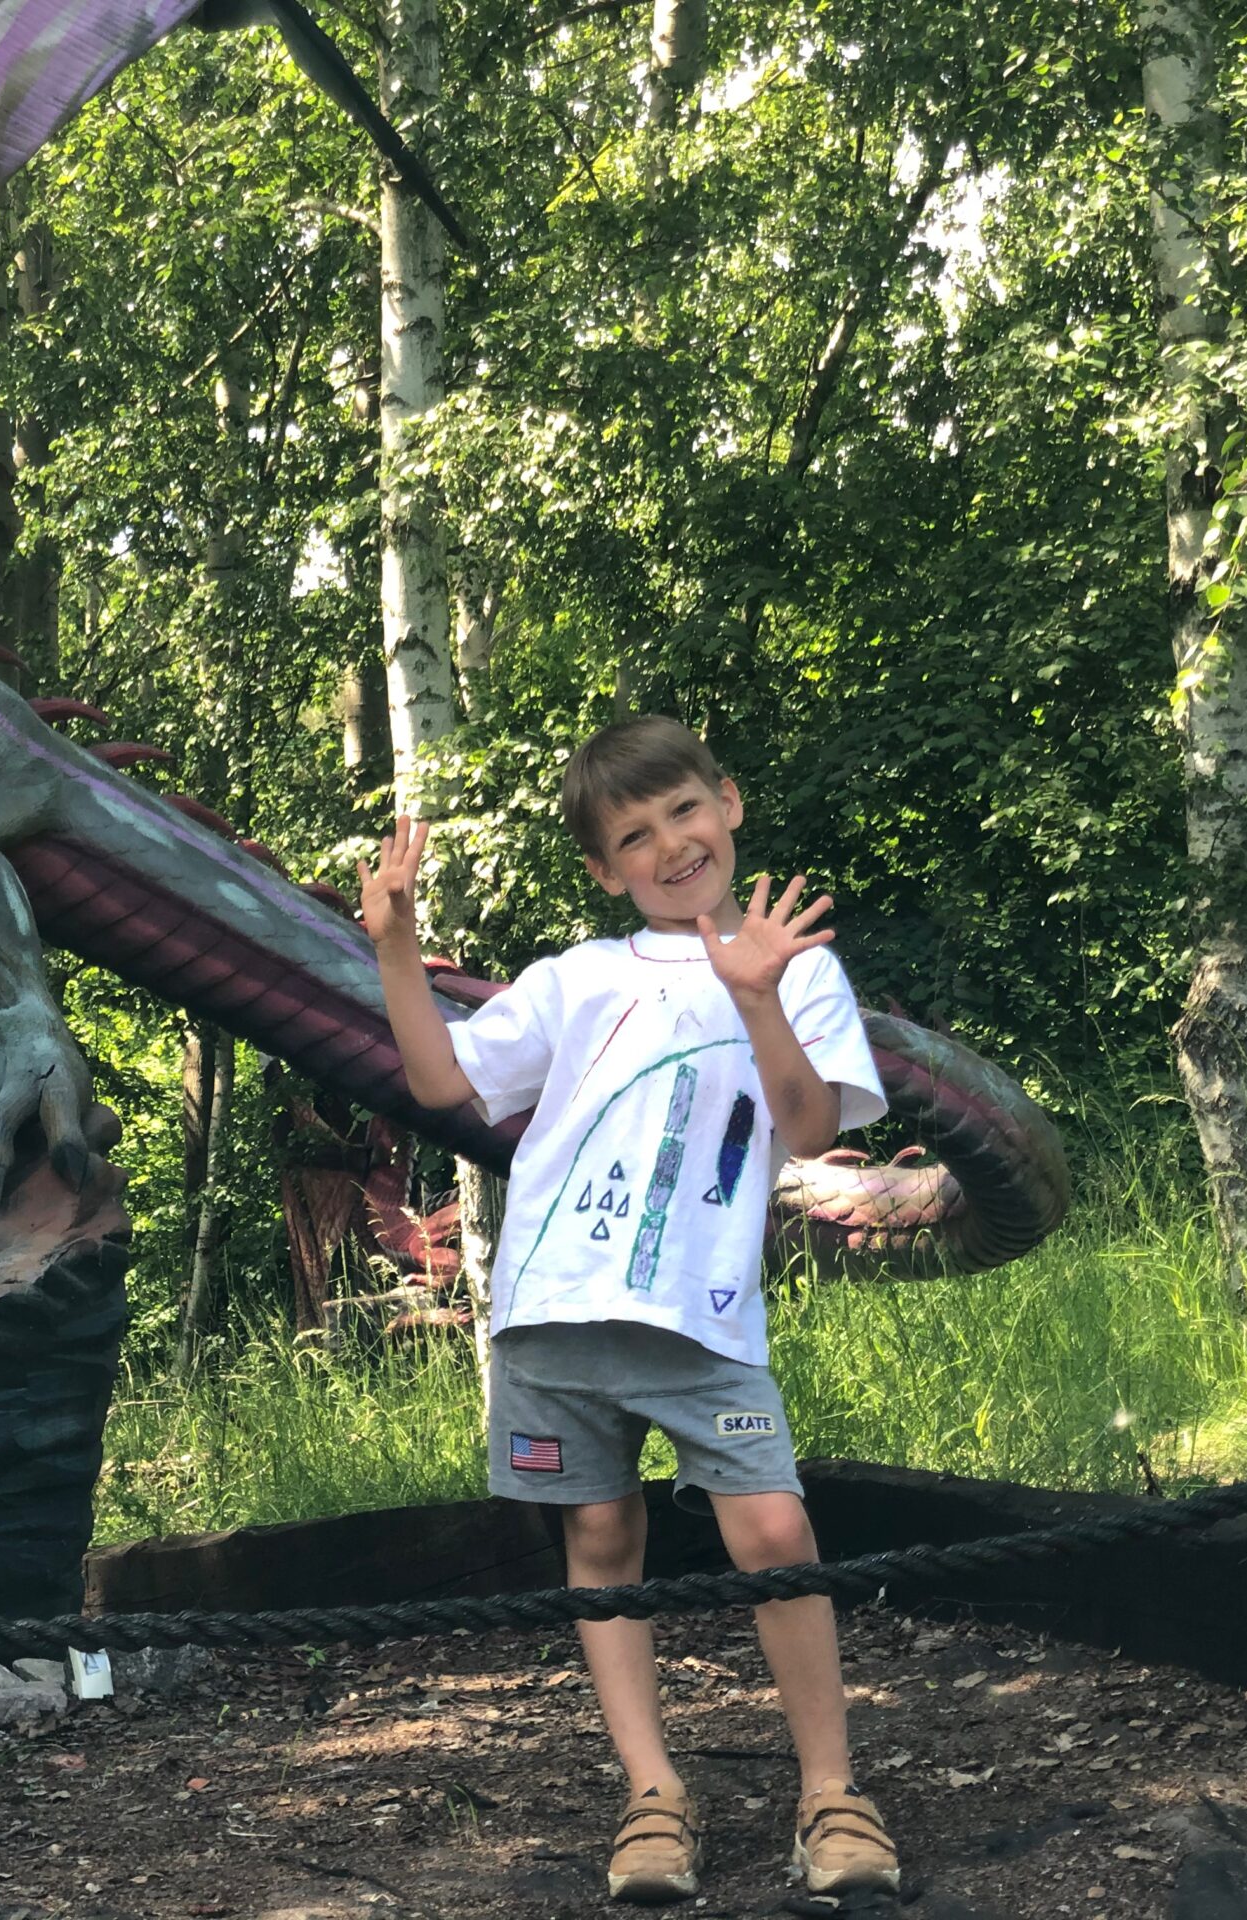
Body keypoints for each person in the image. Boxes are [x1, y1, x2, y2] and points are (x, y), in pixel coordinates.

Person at [361, 715, 901, 1905]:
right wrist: (397, 949)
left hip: (701, 1318)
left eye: (683, 811)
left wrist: (756, 994)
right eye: (634, 835)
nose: (669, 845)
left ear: (728, 803)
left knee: (774, 1531)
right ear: (605, 869)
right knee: (600, 1539)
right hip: (552, 1315)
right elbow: (442, 1079)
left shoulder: (795, 967)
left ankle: (830, 1791)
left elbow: (809, 1128)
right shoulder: (576, 978)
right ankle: (652, 1793)